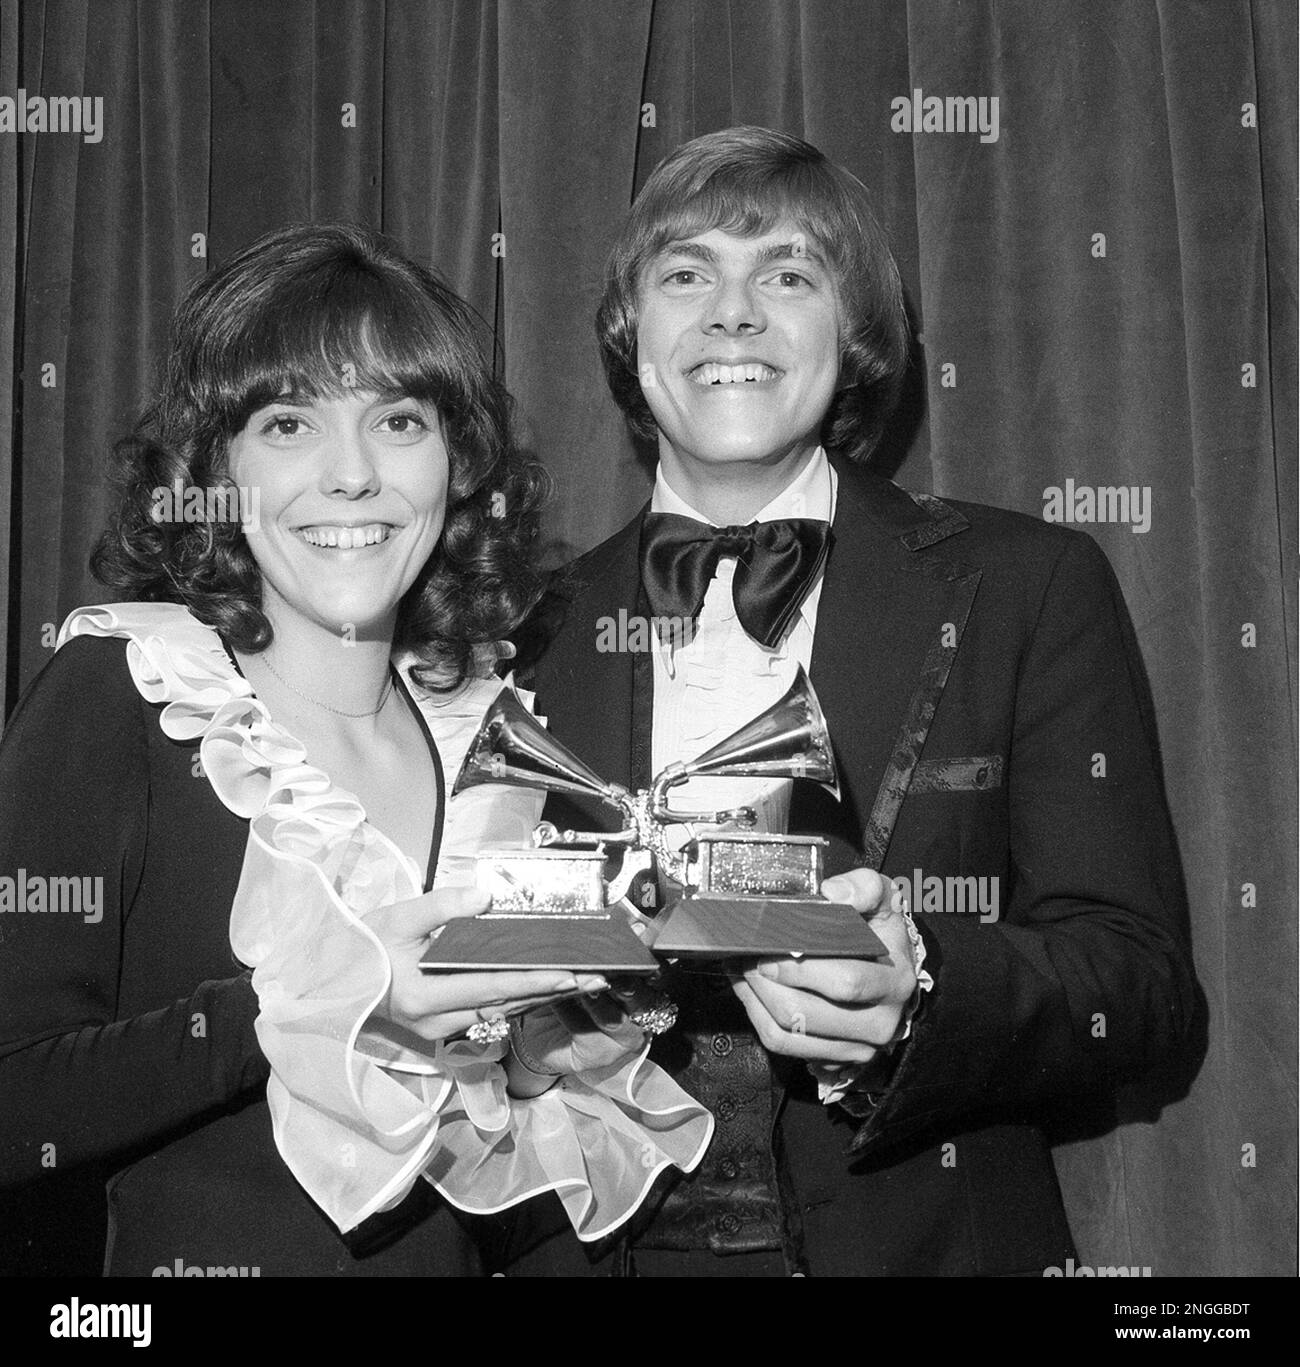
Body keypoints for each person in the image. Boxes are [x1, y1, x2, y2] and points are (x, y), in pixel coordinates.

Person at [508, 126, 1196, 1276]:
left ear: (856, 334)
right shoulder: (515, 624)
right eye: (686, 274)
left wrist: (922, 988)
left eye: (787, 272)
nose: (733, 312)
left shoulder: (1025, 584)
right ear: (632, 339)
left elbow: (1140, 984)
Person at [0, 224, 710, 1277]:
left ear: (456, 463)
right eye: (288, 424)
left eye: (398, 420)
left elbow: (497, 1192)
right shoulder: (132, 693)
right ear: (217, 467)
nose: (351, 476)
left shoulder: (494, 733)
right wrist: (316, 1006)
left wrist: (553, 1064)